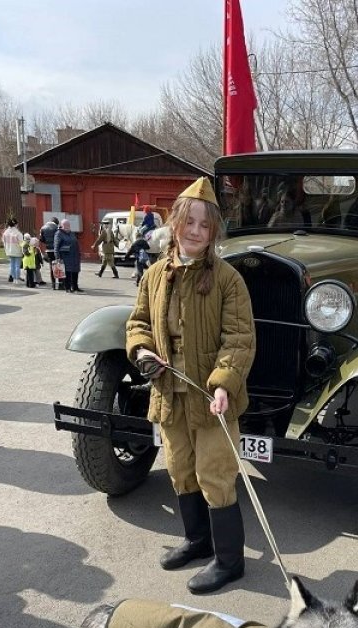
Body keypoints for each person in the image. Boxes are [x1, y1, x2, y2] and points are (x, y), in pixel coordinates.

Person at [125, 177, 257, 594]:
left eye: (205, 224)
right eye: (189, 222)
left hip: (210, 398)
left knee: (215, 474)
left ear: (214, 231)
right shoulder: (153, 276)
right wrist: (142, 351)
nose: (196, 230)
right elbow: (138, 324)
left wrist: (224, 384)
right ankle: (198, 542)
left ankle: (230, 562)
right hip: (169, 394)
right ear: (175, 223)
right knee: (181, 470)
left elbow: (239, 339)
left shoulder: (228, 279)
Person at [54, 219, 83, 293]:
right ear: (61, 225)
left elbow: (76, 243)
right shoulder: (59, 233)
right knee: (67, 272)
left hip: (74, 256)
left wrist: (79, 253)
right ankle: (68, 287)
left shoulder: (71, 233)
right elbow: (56, 246)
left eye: (68, 225)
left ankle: (75, 287)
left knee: (75, 271)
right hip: (65, 256)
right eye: (65, 225)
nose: (67, 227)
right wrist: (57, 258)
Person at [0, 216, 23, 283]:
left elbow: (3, 241)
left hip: (9, 251)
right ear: (16, 224)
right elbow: (21, 243)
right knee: (17, 266)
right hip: (17, 251)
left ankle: (12, 277)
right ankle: (16, 278)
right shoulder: (18, 233)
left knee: (11, 265)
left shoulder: (5, 232)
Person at [40, 216, 59, 289]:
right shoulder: (57, 228)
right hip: (56, 250)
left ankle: (53, 285)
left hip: (48, 250)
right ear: (56, 222)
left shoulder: (43, 228)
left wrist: (47, 242)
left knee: (51, 267)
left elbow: (41, 239)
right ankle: (60, 284)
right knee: (59, 266)